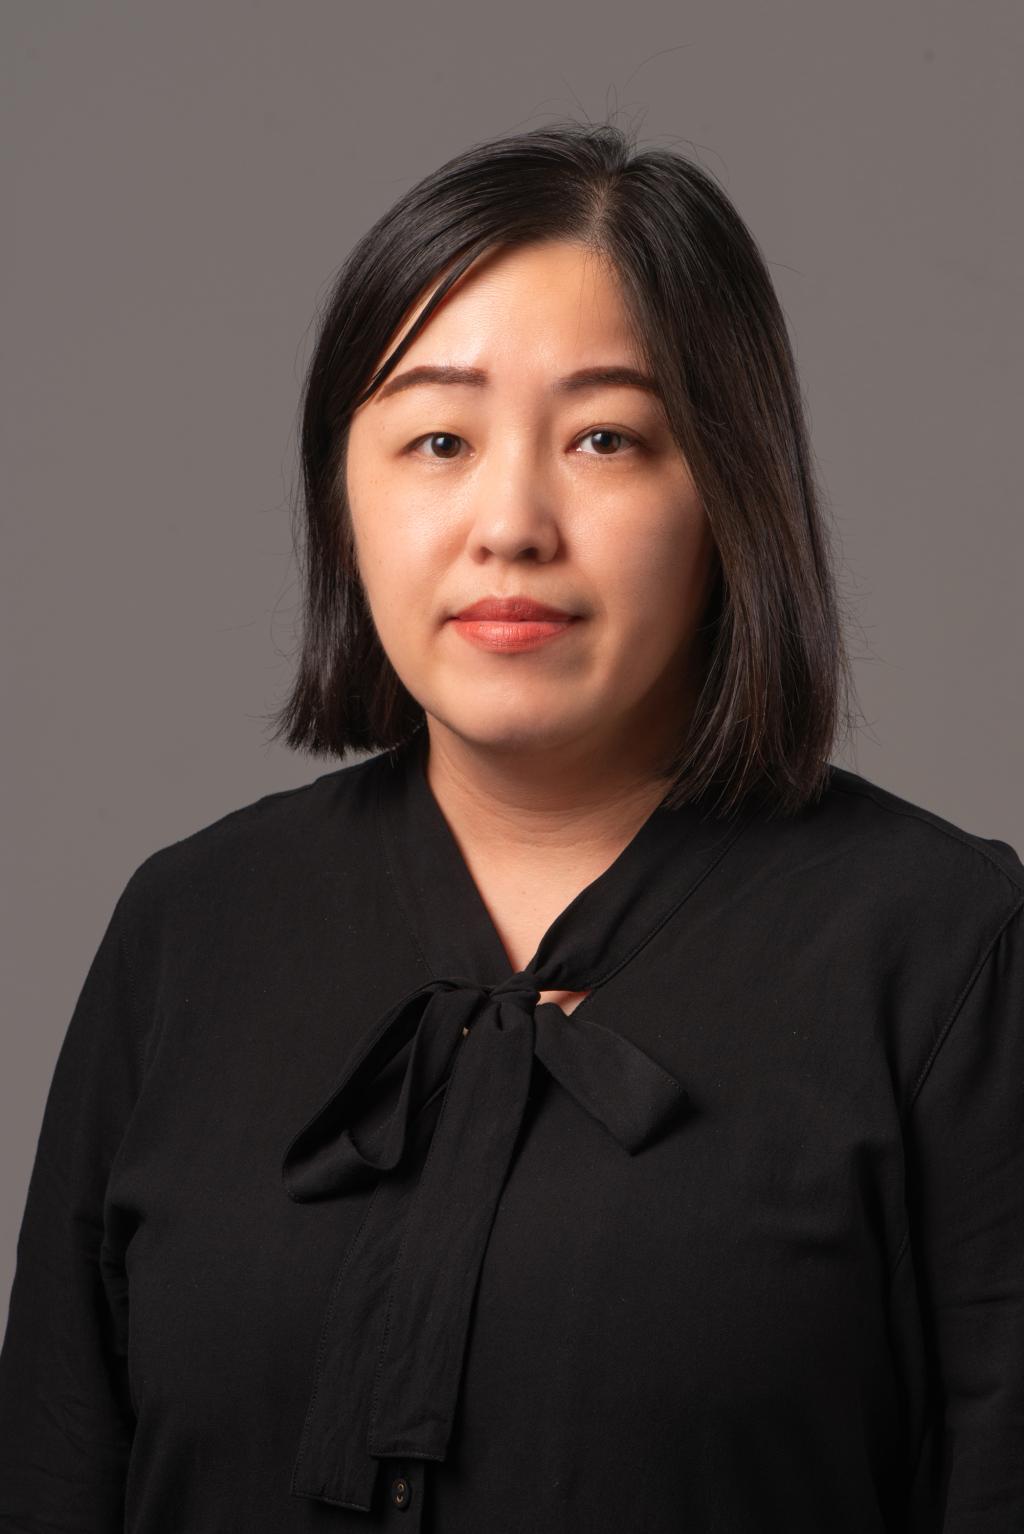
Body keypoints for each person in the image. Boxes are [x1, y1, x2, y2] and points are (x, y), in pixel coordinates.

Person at [0, 118, 1021, 1534]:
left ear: (730, 491)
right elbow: (53, 1472)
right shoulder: (189, 927)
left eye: (606, 438)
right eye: (437, 439)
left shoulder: (947, 953)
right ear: (342, 493)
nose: (511, 524)